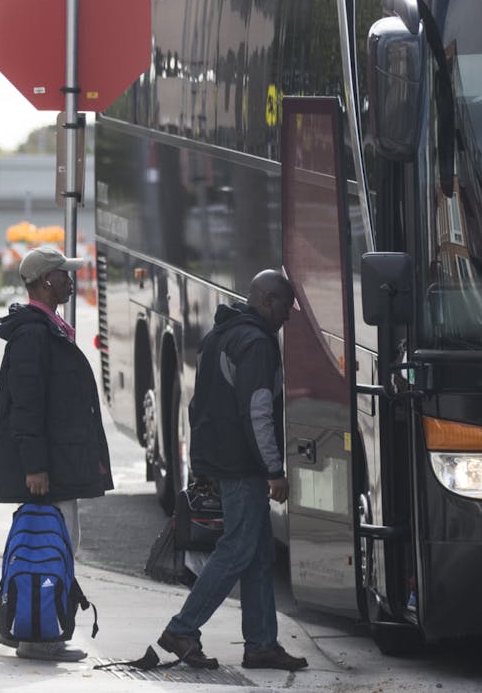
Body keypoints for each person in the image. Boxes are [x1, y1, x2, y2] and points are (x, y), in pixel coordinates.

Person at [155, 269, 307, 672]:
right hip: (242, 464)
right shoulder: (257, 343)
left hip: (219, 458)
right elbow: (257, 411)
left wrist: (202, 462)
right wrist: (274, 469)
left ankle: (260, 645)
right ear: (266, 300)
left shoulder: (218, 335)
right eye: (285, 308)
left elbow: (196, 404)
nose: (288, 318)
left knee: (258, 553)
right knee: (239, 548)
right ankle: (182, 628)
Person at [0, 245, 114, 662]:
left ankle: (33, 629)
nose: (70, 279)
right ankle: (39, 638)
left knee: (56, 544)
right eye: (64, 274)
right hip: (50, 467)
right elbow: (25, 406)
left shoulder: (47, 328)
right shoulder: (32, 334)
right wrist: (36, 466)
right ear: (47, 280)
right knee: (53, 545)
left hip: (60, 461)